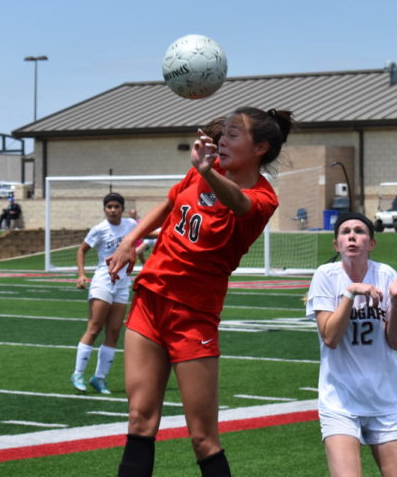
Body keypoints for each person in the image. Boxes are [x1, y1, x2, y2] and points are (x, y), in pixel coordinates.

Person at [107, 107, 294, 477]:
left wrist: (207, 171)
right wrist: (131, 239)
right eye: (222, 133)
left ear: (261, 148)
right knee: (139, 421)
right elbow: (169, 203)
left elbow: (238, 203)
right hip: (150, 300)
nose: (223, 140)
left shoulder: (263, 197)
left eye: (233, 135)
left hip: (193, 315)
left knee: (203, 438)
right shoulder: (201, 171)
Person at [305, 212, 397, 477]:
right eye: (345, 232)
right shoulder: (326, 276)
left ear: (372, 243)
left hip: (385, 399)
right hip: (340, 402)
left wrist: (395, 300)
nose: (352, 236)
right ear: (336, 245)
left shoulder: (386, 273)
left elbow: (395, 341)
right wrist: (350, 292)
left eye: (359, 231)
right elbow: (330, 338)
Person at [71, 193, 140, 394]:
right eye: (109, 206)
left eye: (116, 206)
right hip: (103, 280)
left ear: (122, 208)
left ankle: (99, 378)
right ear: (104, 209)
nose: (112, 210)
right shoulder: (99, 229)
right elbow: (82, 250)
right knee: (94, 328)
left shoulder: (130, 224)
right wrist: (82, 274)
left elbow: (150, 231)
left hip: (122, 283)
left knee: (114, 331)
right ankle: (78, 373)